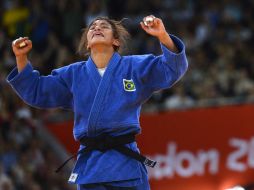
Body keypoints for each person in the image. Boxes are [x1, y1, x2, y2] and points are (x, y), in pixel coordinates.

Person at [7, 15, 188, 190]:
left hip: (126, 164)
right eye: (92, 27)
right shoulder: (72, 75)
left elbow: (172, 69)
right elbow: (37, 91)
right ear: (87, 43)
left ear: (116, 41)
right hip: (92, 169)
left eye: (104, 26)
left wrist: (162, 35)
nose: (96, 28)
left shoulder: (134, 67)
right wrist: (21, 58)